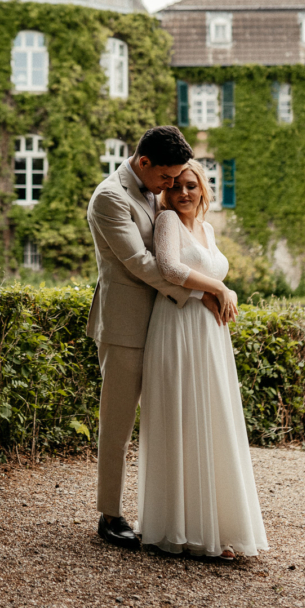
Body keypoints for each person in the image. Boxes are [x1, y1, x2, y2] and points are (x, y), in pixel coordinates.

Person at [86, 126, 222, 551]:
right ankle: (110, 515)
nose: (170, 187)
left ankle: (173, 515)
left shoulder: (149, 190)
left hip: (168, 324)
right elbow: (141, 263)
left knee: (173, 421)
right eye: (166, 178)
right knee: (118, 424)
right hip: (127, 326)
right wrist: (201, 294)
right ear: (144, 163)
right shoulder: (110, 197)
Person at [137, 159, 268, 559]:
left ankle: (219, 526)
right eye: (174, 186)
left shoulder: (208, 229)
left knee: (213, 418)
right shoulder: (167, 223)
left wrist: (223, 292)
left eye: (190, 186)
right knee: (183, 418)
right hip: (177, 327)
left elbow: (201, 270)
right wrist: (219, 288)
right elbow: (170, 268)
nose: (182, 194)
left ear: (203, 188)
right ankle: (183, 528)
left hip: (211, 335)